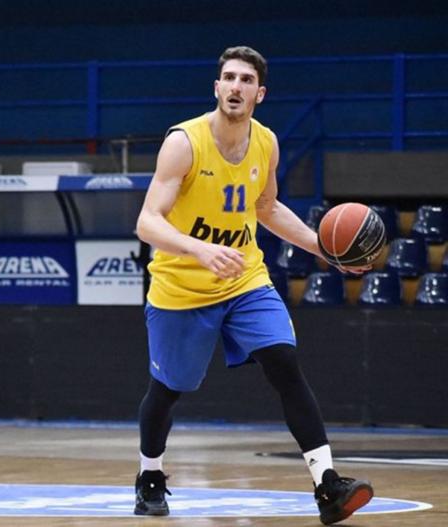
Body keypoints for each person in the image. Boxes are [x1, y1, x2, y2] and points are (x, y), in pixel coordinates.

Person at [133, 46, 373, 526]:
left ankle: (327, 484)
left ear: (259, 94)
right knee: (168, 389)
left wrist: (322, 248)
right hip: (182, 286)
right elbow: (147, 222)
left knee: (284, 363)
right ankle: (149, 475)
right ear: (216, 87)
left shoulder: (266, 143)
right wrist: (199, 250)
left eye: (246, 80)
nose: (236, 86)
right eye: (229, 77)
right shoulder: (184, 142)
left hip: (244, 278)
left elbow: (267, 208)